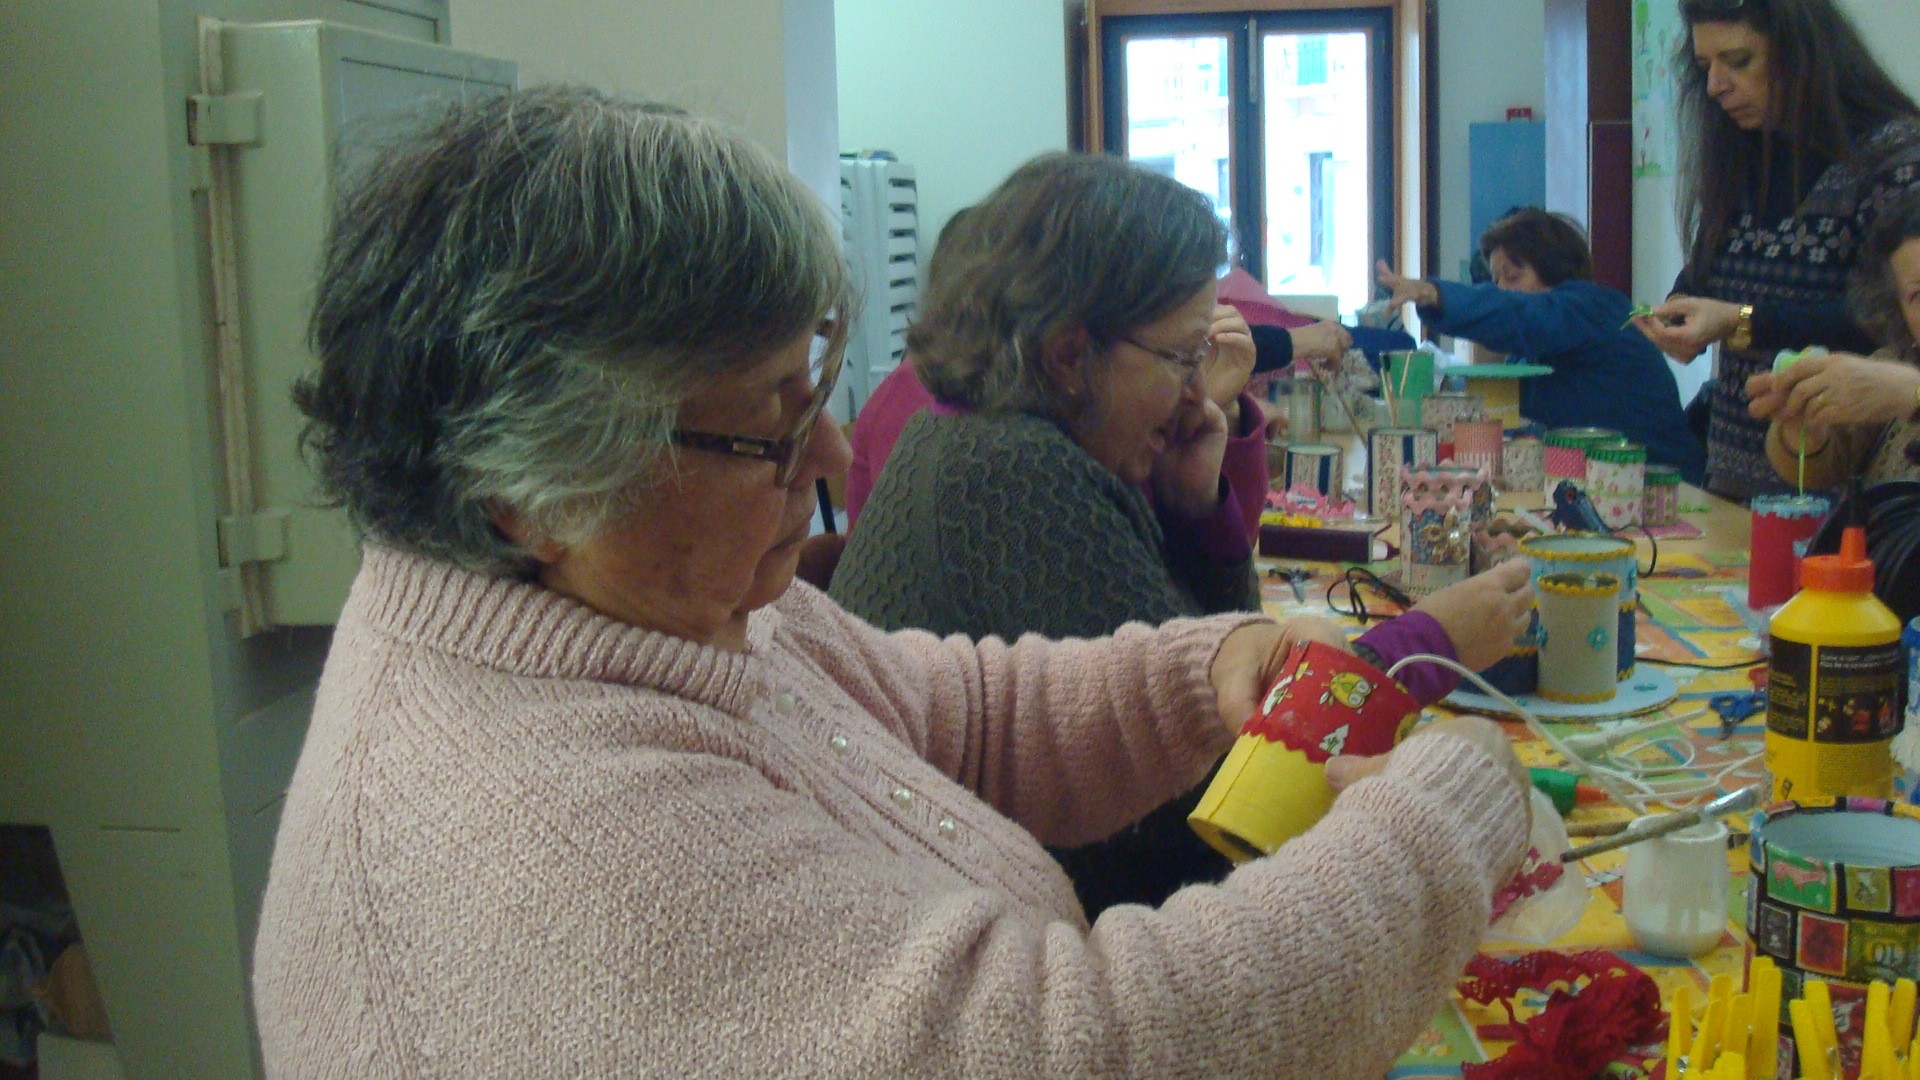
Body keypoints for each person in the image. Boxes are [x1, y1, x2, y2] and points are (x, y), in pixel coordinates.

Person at [250, 87, 1534, 1078]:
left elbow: (937, 712)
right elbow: (1087, 1047)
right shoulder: (556, 836)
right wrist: (1431, 834)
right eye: (765, 424)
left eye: (816, 394)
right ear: (528, 490)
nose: (822, 456)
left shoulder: (628, 601)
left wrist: (1197, 676)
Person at [829, 151, 1537, 917]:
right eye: (1181, 356)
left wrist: (1197, 514)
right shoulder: (1013, 474)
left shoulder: (994, 438)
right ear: (1071, 354)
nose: (1201, 391)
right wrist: (1432, 645)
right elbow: (1226, 791)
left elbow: (1205, 676)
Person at [1629, 0, 1920, 499]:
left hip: (1837, 479)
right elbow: (1710, 277)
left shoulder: (1891, 158)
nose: (1717, 85)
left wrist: (1740, 322)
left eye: (1738, 61)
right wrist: (1677, 315)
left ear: (1800, 53)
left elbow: (1890, 320)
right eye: (1705, 67)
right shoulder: (1742, 149)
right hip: (1734, 470)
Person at [1375, 209, 1706, 484]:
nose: (1501, 290)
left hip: (1669, 491)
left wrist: (1436, 294)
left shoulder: (1592, 307)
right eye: (1495, 281)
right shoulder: (1535, 344)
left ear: (1555, 272)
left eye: (1512, 277)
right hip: (1613, 485)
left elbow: (1520, 315)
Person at [1747, 189, 1920, 487]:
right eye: (1918, 294)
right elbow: (1830, 464)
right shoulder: (1895, 362)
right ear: (1900, 310)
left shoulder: (1896, 380)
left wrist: (1910, 392)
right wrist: (1806, 429)